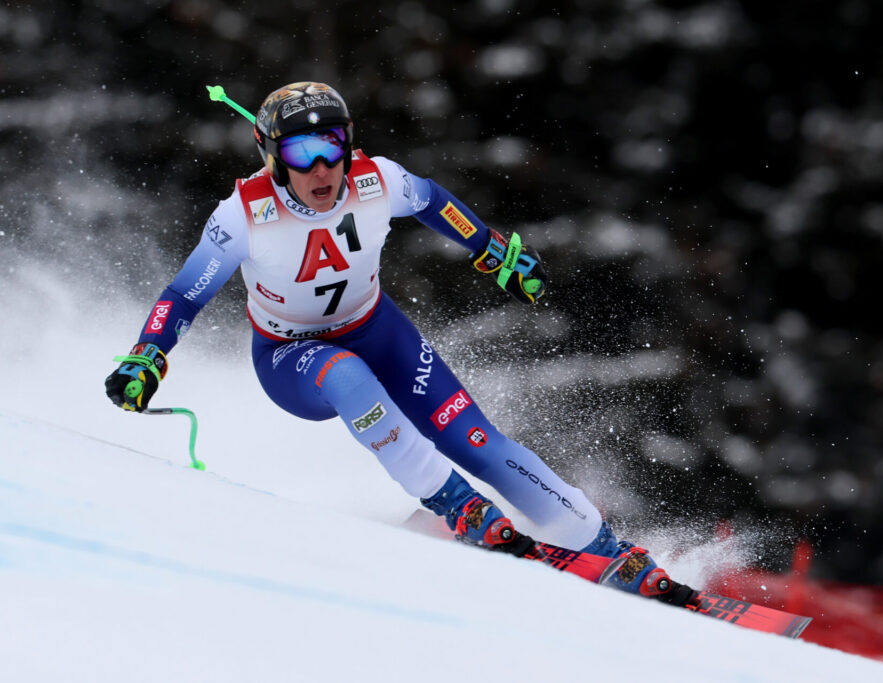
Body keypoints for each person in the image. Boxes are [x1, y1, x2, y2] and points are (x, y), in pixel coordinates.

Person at [104, 81, 698, 608]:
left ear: (348, 143)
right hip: (292, 357)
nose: (320, 169)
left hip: (378, 330)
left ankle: (600, 542)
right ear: (272, 157)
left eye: (331, 146)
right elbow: (183, 295)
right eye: (300, 154)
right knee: (345, 375)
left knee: (478, 440)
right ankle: (454, 503)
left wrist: (492, 251)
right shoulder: (244, 214)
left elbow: (434, 201)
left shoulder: (376, 179)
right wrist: (148, 355)